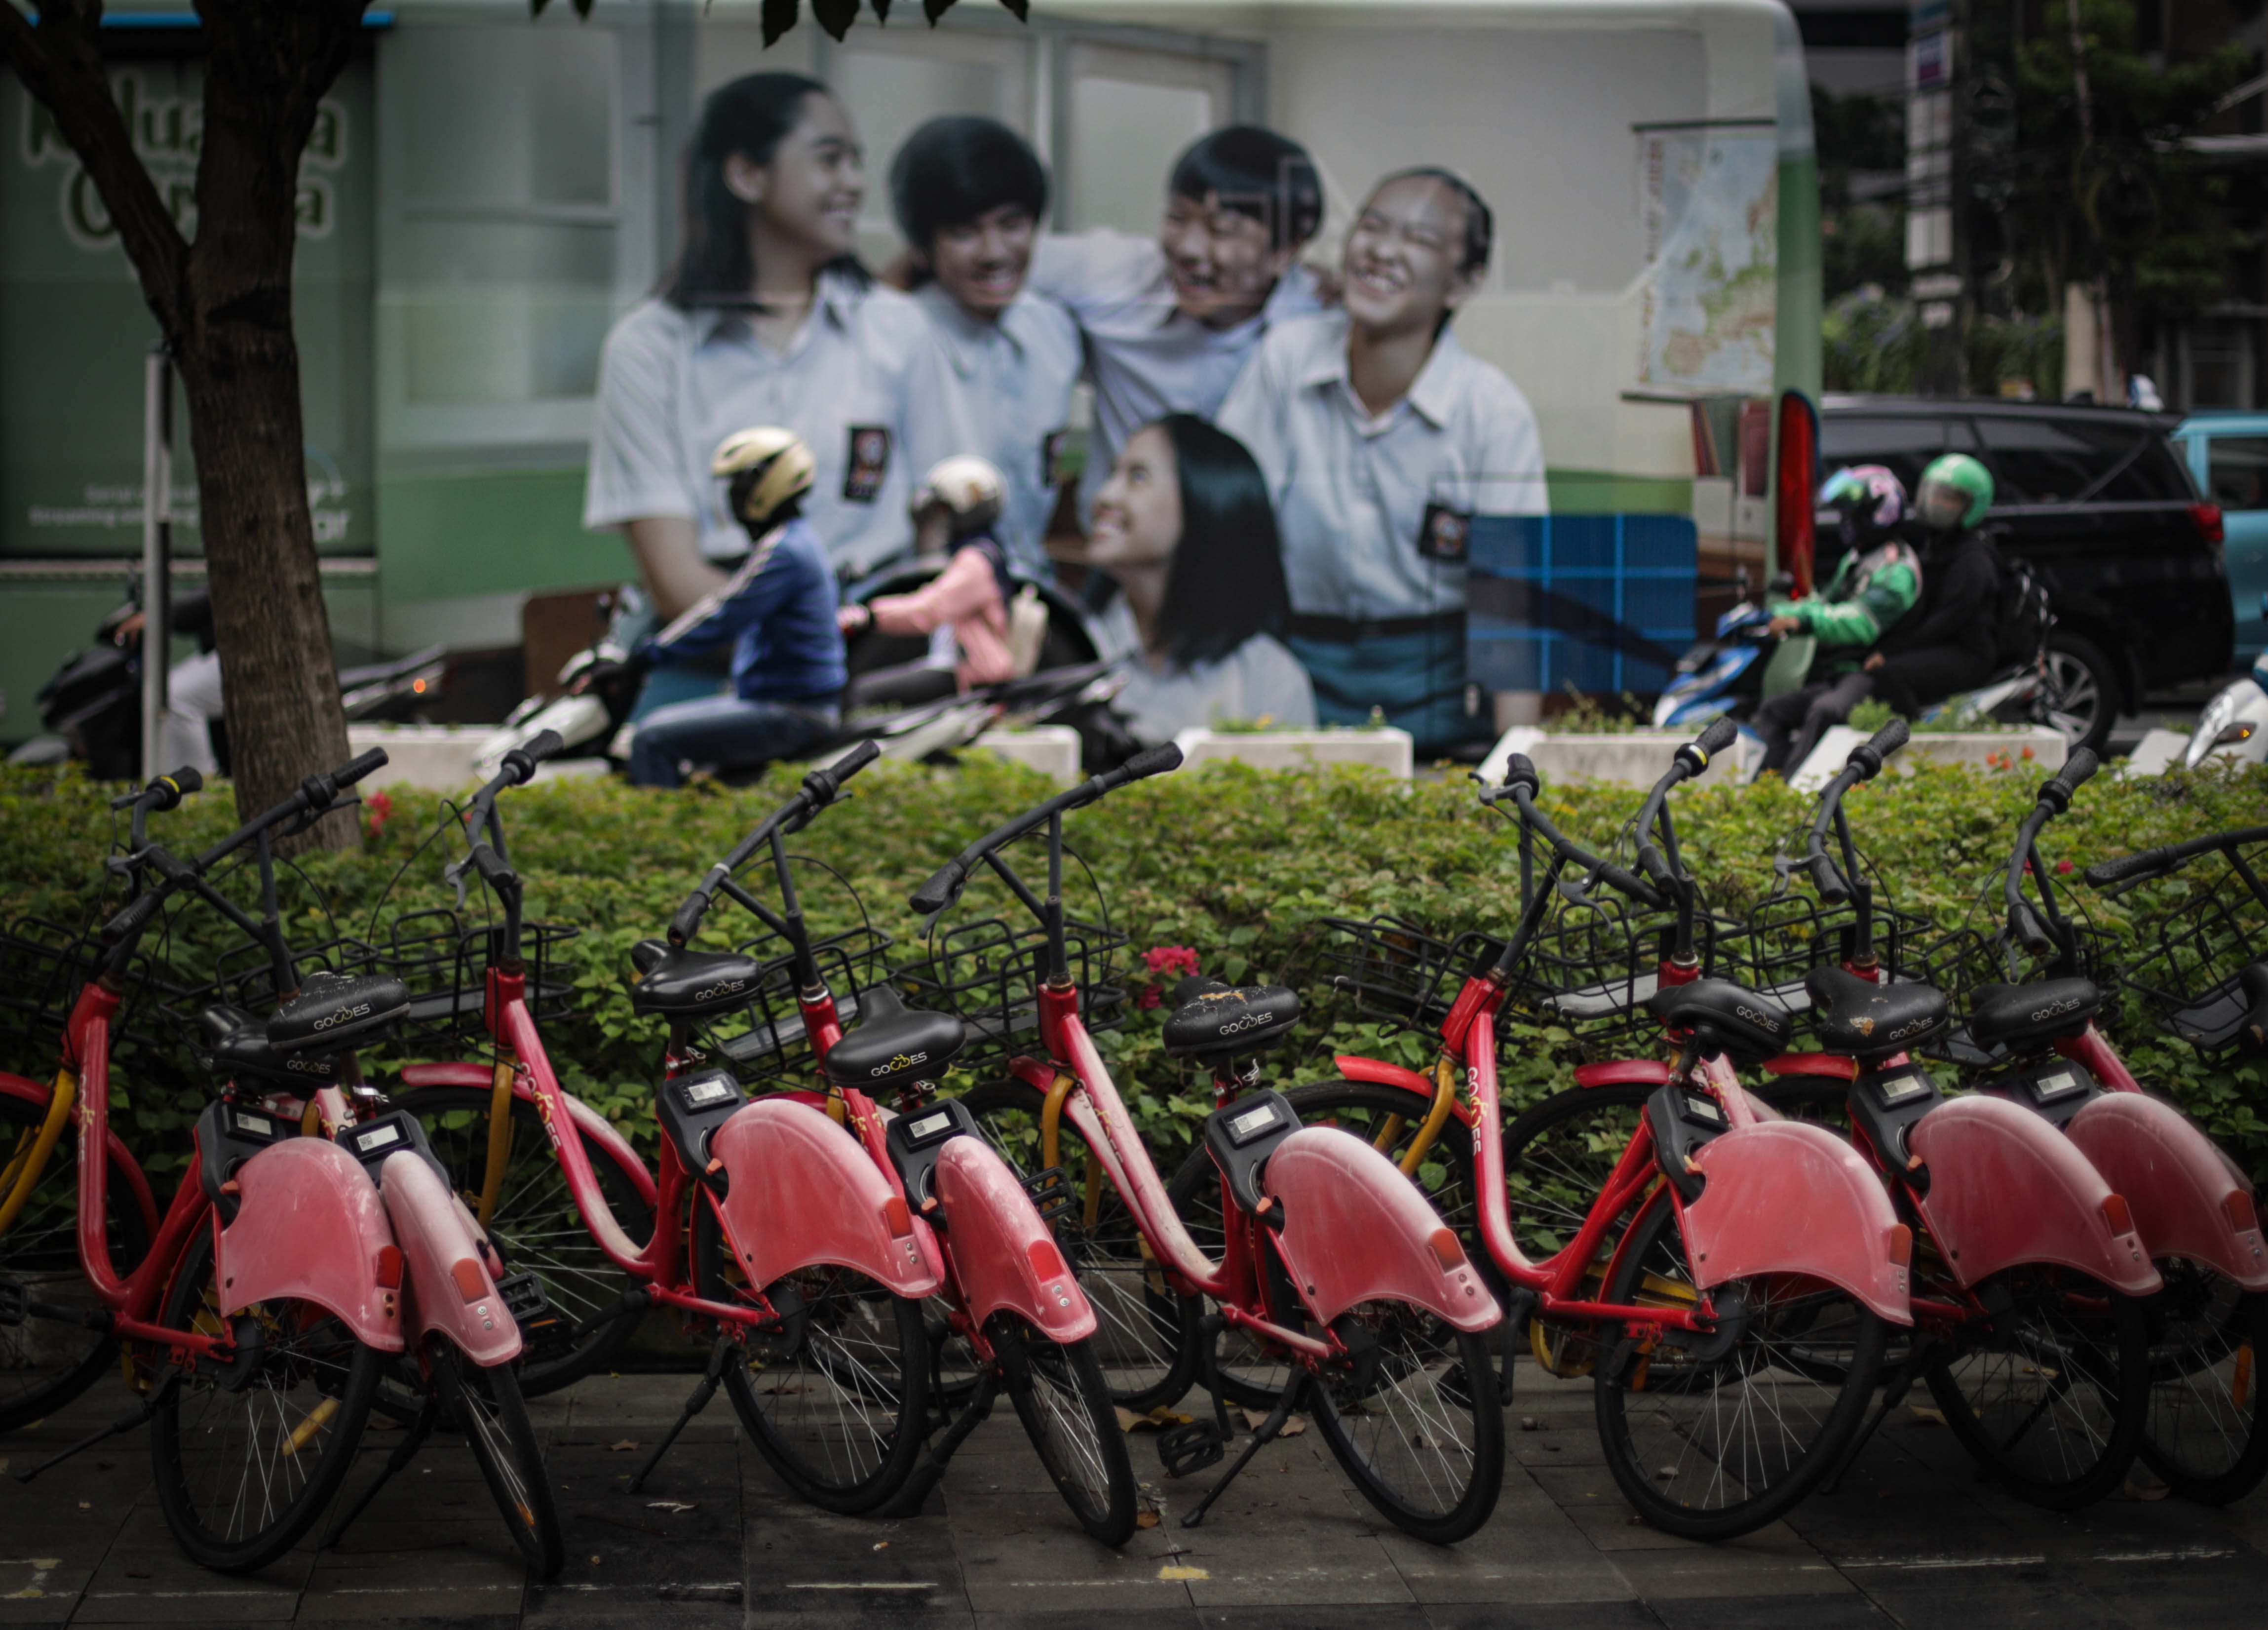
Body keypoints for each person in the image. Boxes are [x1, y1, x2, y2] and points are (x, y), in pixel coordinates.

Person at [583, 72, 976, 715]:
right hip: (709, 670)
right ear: (746, 175)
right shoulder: (649, 350)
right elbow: (676, 580)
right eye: (828, 161)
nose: (852, 184)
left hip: (879, 672)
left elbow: (940, 529)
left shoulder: (898, 331)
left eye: (856, 163)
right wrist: (812, 650)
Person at [1217, 167, 1542, 753]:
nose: (1382, 251)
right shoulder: (1285, 358)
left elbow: (1510, 609)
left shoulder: (1491, 411)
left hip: (1437, 693)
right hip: (1291, 676)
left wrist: (1515, 762)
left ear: (1462, 283)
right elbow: (1224, 524)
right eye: (1371, 226)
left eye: (1419, 240)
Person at [1025, 126, 1329, 520]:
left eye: (1221, 230)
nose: (1188, 248)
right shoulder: (1117, 276)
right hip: (1118, 554)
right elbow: (996, 258)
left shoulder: (1318, 325)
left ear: (1284, 251)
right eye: (1176, 217)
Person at [578, 429, 846, 788]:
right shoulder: (794, 542)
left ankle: (661, 842)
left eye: (738, 485)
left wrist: (647, 656)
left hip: (791, 712)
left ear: (766, 485)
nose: (731, 498)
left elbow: (723, 614)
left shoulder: (784, 553)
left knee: (651, 739)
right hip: (783, 702)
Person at [889, 116, 1082, 580]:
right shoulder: (896, 335)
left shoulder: (1055, 330)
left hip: (1030, 588)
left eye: (1012, 225)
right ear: (921, 246)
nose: (994, 252)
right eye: (964, 232)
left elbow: (1061, 464)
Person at [1084, 414, 1314, 744]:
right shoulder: (1068, 648)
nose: (1104, 497)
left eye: (1138, 477)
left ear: (1205, 500)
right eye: (1110, 474)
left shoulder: (1267, 677)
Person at [1751, 465, 1922, 777]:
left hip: (1873, 674)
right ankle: (1765, 788)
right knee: (1773, 709)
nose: (1847, 523)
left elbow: (1859, 622)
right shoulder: (1858, 559)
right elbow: (1826, 603)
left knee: (1825, 711)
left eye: (1853, 515)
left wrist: (1802, 621)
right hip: (1840, 673)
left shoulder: (1897, 570)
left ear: (1880, 514)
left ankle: (1793, 793)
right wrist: (1776, 613)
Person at [840, 456, 1045, 698]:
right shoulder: (981, 553)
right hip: (958, 669)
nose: (937, 521)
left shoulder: (974, 562)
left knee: (863, 695)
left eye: (943, 510)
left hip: (970, 675)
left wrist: (869, 615)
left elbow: (928, 610)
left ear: (965, 511)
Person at [1866, 453, 2004, 718]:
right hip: (1942, 643)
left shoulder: (1973, 559)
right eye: (1934, 494)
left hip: (1968, 652)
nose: (1936, 503)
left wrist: (1893, 651)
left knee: (1893, 675)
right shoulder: (1937, 545)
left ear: (1972, 506)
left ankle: (1915, 742)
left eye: (1948, 498)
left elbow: (1947, 620)